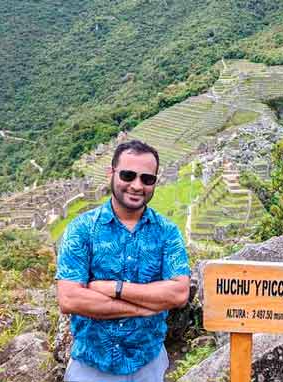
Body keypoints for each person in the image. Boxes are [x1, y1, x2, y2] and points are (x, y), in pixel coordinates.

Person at [56, 140, 191, 382]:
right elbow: (70, 298)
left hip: (148, 364)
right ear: (112, 173)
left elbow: (179, 293)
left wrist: (113, 289)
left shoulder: (167, 232)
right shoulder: (82, 229)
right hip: (92, 366)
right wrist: (145, 307)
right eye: (128, 175)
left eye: (147, 179)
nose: (137, 186)